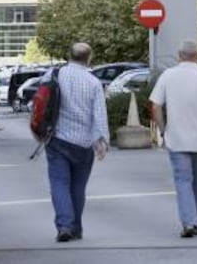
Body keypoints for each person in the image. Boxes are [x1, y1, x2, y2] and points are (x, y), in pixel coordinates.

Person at [149, 39, 197, 238]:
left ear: (179, 55)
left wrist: (163, 129)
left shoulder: (168, 76)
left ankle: (189, 222)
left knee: (183, 181)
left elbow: (156, 106)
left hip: (177, 139)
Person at [43, 42, 110, 243]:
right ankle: (76, 227)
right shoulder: (93, 82)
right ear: (89, 58)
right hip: (83, 143)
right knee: (78, 188)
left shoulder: (53, 75)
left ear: (68, 55)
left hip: (56, 138)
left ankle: (65, 225)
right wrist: (102, 141)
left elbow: (42, 102)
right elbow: (99, 114)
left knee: (59, 183)